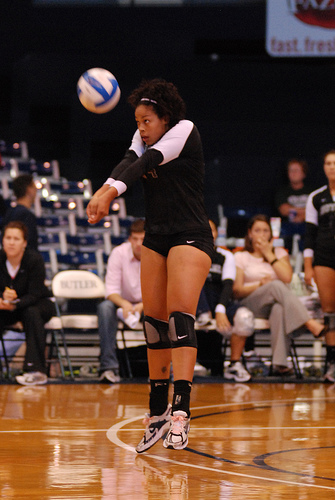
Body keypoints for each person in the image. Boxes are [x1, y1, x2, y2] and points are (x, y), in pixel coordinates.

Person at [86, 78, 213, 452]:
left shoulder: (184, 132)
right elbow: (128, 160)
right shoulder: (142, 138)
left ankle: (181, 412)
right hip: (157, 236)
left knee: (178, 317)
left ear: (165, 117)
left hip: (191, 234)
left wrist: (109, 192)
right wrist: (103, 189)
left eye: (147, 121)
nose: (141, 128)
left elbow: (144, 164)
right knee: (154, 323)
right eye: (138, 122)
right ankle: (157, 411)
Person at [233, 214, 326, 376]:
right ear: (249, 233)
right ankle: (309, 323)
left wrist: (268, 254)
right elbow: (237, 290)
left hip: (274, 304)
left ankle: (279, 365)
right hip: (250, 304)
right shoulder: (241, 256)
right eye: (257, 230)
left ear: (271, 234)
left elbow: (287, 278)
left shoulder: (280, 253)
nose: (261, 234)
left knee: (278, 309)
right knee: (275, 285)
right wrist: (260, 284)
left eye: (265, 231)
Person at [196, 219, 254, 382]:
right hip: (195, 306)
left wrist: (220, 310)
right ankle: (188, 364)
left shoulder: (225, 255)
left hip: (219, 303)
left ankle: (234, 365)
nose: (208, 233)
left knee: (245, 318)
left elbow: (228, 285)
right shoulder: (190, 256)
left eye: (212, 230)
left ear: (217, 234)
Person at [0, 221, 56, 385]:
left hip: (38, 304)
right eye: (8, 238)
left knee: (31, 312)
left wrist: (15, 304)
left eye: (16, 239)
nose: (11, 242)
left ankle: (35, 370)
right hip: (7, 307)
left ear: (24, 243)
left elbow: (36, 293)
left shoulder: (34, 260)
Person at [98, 218, 145, 383]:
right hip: (121, 303)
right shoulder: (119, 253)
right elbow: (110, 291)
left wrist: (141, 305)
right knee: (105, 308)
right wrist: (125, 304)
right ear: (129, 239)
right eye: (135, 239)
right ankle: (108, 367)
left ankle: (164, 369)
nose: (138, 243)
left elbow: (161, 290)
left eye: (142, 239)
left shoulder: (155, 255)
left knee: (162, 310)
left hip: (147, 304)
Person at [304, 150, 335, 382]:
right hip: (324, 258)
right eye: (328, 163)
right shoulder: (316, 197)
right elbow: (309, 235)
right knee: (330, 313)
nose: (332, 167)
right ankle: (332, 364)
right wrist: (307, 265)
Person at [275, 158, 312, 251]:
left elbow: (315, 210)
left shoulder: (312, 192)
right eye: (291, 170)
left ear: (304, 173)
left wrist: (302, 217)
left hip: (307, 227)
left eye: (296, 170)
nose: (293, 173)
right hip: (288, 228)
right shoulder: (282, 192)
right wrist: (305, 211)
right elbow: (284, 210)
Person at [2, 174, 38, 250]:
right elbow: (29, 244)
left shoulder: (9, 212)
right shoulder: (26, 215)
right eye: (34, 187)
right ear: (29, 189)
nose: (36, 191)